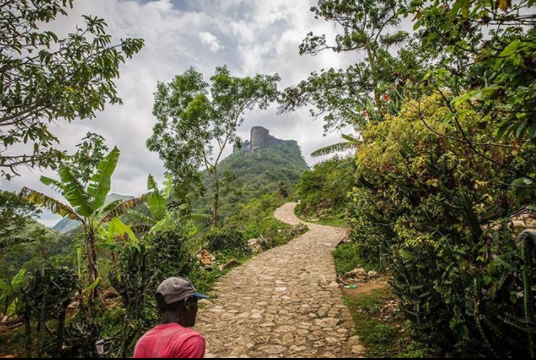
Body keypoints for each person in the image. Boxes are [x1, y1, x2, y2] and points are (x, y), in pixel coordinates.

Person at [134, 277, 209, 359]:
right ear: (187, 303)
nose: (196, 309)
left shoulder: (143, 342)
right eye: (195, 302)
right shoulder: (189, 341)